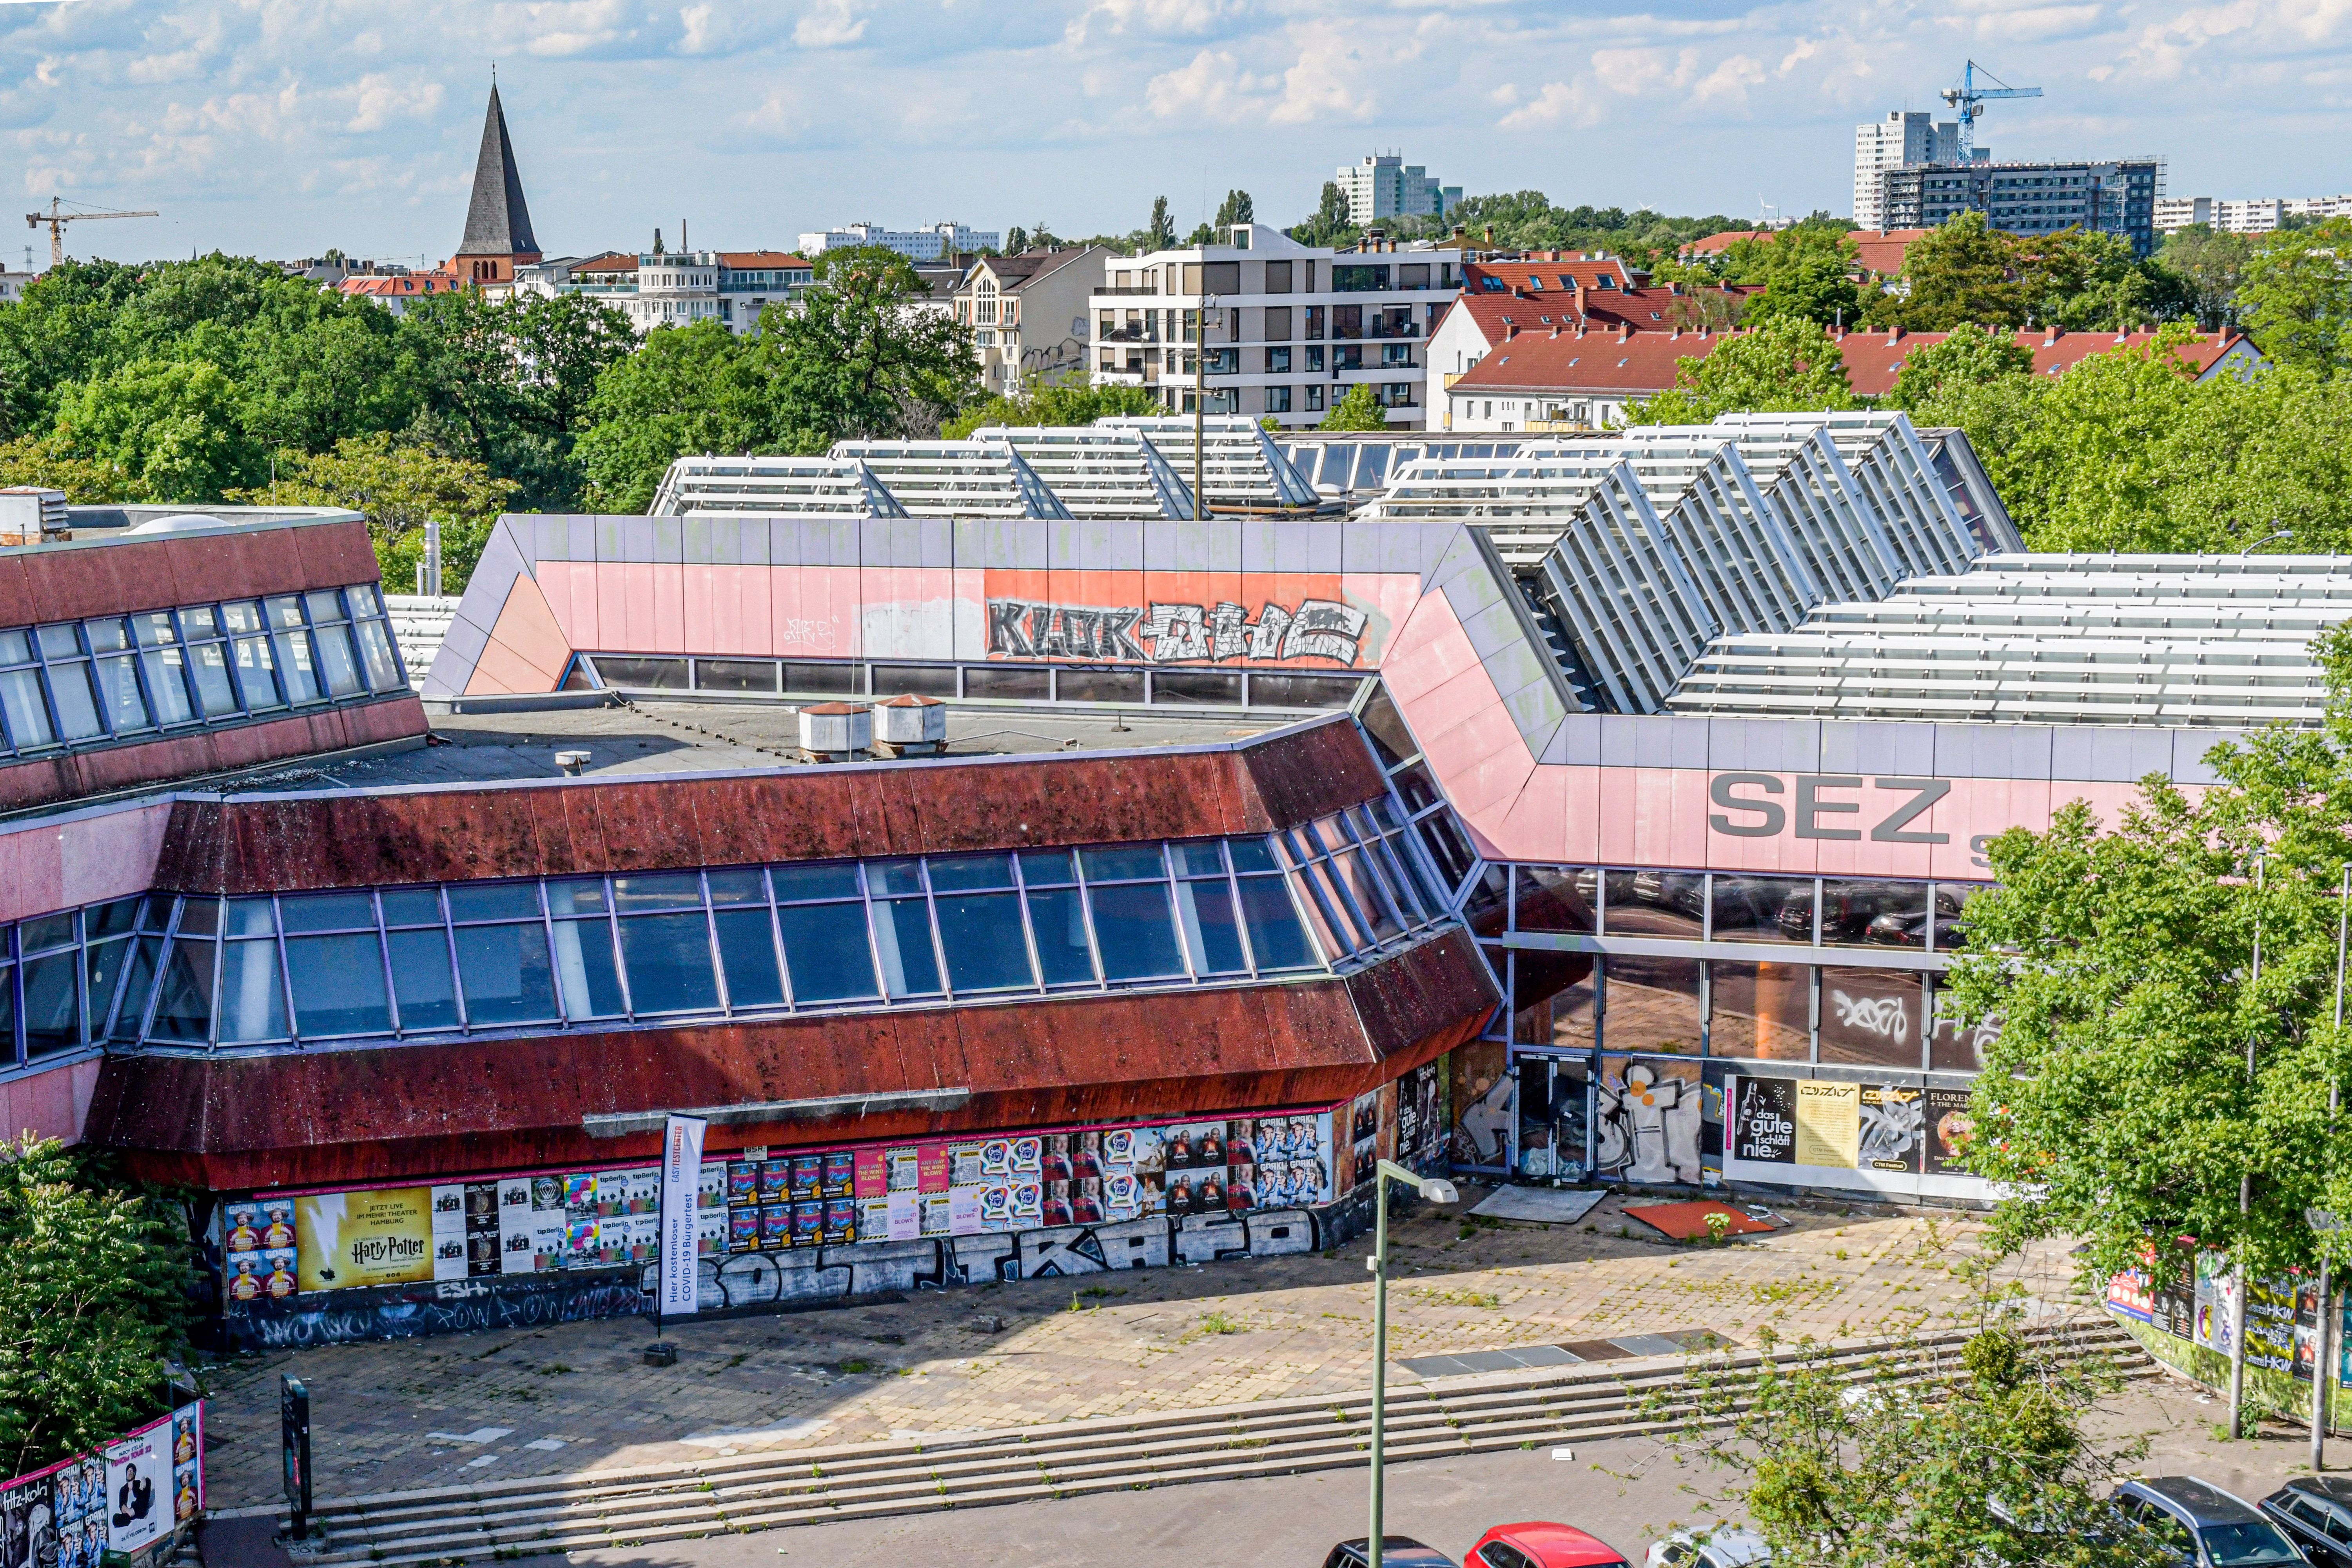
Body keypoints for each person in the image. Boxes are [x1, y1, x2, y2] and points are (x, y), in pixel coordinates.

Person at [112, 1463, 152, 1528]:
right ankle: (129, 1520)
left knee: (147, 1481)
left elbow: (144, 1498)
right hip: (129, 1515)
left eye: (132, 1471)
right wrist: (129, 1511)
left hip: (140, 1510)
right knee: (115, 1518)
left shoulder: (138, 1484)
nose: (130, 1472)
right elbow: (122, 1505)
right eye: (128, 1471)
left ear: (134, 1474)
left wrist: (144, 1479)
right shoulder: (123, 1490)